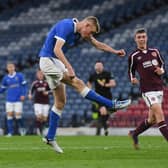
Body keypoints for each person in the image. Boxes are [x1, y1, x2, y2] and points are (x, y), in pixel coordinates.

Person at [39, 16, 131, 153]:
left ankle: (50, 137)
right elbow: (57, 50)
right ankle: (111, 104)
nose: (90, 35)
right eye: (91, 32)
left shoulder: (80, 32)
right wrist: (69, 67)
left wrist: (115, 51)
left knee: (60, 102)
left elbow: (98, 44)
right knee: (77, 82)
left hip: (55, 62)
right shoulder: (67, 25)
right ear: (86, 25)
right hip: (48, 61)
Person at [128, 28, 168, 149]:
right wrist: (132, 79)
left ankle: (134, 134)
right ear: (135, 39)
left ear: (147, 38)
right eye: (139, 37)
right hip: (147, 90)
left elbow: (162, 65)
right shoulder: (134, 56)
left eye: (143, 37)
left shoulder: (155, 52)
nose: (141, 39)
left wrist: (162, 71)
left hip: (159, 88)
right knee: (160, 115)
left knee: (152, 120)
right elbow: (131, 71)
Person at [87, 61, 116, 136]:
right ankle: (105, 129)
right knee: (103, 111)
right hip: (98, 97)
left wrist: (104, 85)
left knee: (103, 114)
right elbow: (89, 82)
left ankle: (103, 127)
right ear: (95, 67)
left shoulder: (107, 73)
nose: (98, 67)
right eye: (97, 65)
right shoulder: (93, 75)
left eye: (100, 65)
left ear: (102, 67)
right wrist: (90, 90)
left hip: (107, 96)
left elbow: (113, 84)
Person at [0, 62, 27, 136]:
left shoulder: (19, 76)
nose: (10, 68)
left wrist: (23, 94)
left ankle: (22, 129)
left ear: (14, 67)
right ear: (7, 68)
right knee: (9, 115)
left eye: (12, 67)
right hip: (9, 99)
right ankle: (10, 132)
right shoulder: (5, 78)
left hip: (18, 99)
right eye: (9, 67)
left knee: (18, 116)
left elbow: (24, 86)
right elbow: (2, 89)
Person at [28, 70, 51, 135]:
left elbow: (52, 91)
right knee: (39, 117)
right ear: (37, 75)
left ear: (43, 75)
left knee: (44, 118)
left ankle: (43, 129)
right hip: (37, 102)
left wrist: (47, 92)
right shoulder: (35, 83)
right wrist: (30, 95)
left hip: (46, 102)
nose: (40, 75)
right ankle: (38, 130)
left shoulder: (47, 83)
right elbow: (31, 91)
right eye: (39, 74)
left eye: (41, 74)